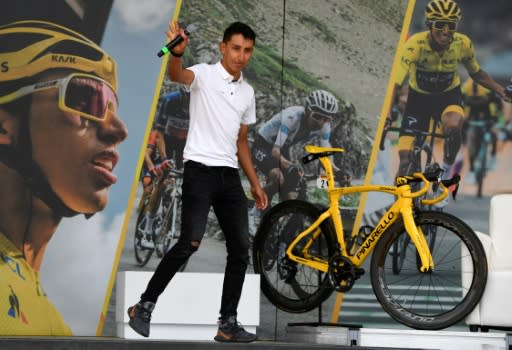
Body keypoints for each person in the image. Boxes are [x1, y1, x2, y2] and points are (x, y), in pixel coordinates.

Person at [127, 21, 268, 343]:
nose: (241, 56)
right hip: (199, 169)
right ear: (223, 47)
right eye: (235, 48)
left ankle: (227, 323)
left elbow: (242, 141)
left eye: (247, 50)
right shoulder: (203, 74)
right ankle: (144, 306)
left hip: (229, 174)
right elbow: (177, 75)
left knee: (241, 248)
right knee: (190, 242)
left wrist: (255, 184)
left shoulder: (247, 92)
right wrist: (176, 54)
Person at [0, 20, 127, 335]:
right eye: (87, 99)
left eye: (114, 108)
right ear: (4, 128)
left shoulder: (55, 322)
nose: (119, 130)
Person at [391, 0, 510, 205]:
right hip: (418, 100)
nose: (446, 31)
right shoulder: (415, 45)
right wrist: (387, 114)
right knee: (404, 160)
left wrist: (501, 91)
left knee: (454, 125)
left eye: (451, 25)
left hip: (448, 97)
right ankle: (397, 208)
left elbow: (478, 74)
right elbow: (396, 82)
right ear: (429, 24)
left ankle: (445, 174)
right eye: (440, 25)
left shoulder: (462, 43)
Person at [251, 89, 341, 206]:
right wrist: (289, 165)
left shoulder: (324, 127)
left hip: (283, 148)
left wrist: (338, 172)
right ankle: (259, 202)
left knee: (294, 189)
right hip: (263, 145)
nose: (321, 122)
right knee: (278, 178)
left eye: (326, 119)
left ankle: (285, 214)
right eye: (317, 116)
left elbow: (325, 155)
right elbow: (274, 151)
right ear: (307, 110)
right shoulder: (292, 117)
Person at [461, 77, 502, 184]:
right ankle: (471, 170)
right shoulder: (466, 89)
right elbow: (461, 104)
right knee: (470, 141)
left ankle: (493, 156)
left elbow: (498, 105)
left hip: (488, 116)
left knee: (494, 133)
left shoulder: (488, 91)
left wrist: (496, 119)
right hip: (472, 117)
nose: (476, 97)